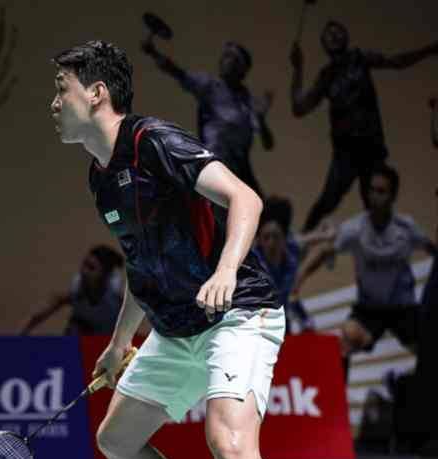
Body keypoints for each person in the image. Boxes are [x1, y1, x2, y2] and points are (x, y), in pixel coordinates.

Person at [50, 41, 335, 459]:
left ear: (96, 92)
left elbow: (246, 199)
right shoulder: (100, 176)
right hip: (176, 325)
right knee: (118, 439)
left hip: (240, 310)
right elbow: (140, 261)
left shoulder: (154, 142)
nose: (55, 101)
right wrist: (121, 341)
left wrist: (228, 268)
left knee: (230, 443)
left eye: (63, 87)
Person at [291, 21, 438, 232]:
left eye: (338, 31)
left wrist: (428, 50)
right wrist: (298, 69)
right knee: (327, 202)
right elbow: (299, 107)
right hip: (345, 153)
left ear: (346, 37)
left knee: (376, 205)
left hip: (371, 147)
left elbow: (396, 61)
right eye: (328, 34)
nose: (333, 36)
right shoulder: (327, 76)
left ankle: (385, 254)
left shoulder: (359, 59)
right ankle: (299, 243)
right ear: (323, 43)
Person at [292, 165, 436, 377]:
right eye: (371, 190)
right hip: (370, 309)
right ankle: (337, 405)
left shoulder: (406, 229)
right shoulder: (355, 229)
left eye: (381, 191)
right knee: (345, 340)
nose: (374, 196)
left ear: (392, 195)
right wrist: (298, 280)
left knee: (430, 351)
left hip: (403, 308)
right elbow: (324, 251)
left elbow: (431, 248)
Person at [142, 39, 274, 197]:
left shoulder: (248, 102)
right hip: (214, 166)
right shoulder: (211, 87)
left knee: (263, 209)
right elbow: (178, 73)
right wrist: (154, 53)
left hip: (239, 171)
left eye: (232, 57)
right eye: (225, 56)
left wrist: (261, 119)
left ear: (242, 69)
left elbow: (268, 143)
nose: (225, 61)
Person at [252, 196, 333, 332]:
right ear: (259, 240)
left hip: (284, 310)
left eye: (276, 236)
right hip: (259, 318)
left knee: (308, 329)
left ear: (285, 237)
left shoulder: (292, 247)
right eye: (266, 237)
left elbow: (323, 237)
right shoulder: (252, 260)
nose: (271, 243)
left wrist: (328, 230)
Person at [21, 245, 124, 335]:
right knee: (75, 327)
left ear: (105, 274)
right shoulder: (76, 291)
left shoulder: (117, 302)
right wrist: (19, 336)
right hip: (79, 343)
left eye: (91, 268)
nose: (83, 271)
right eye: (84, 264)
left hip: (104, 345)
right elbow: (37, 316)